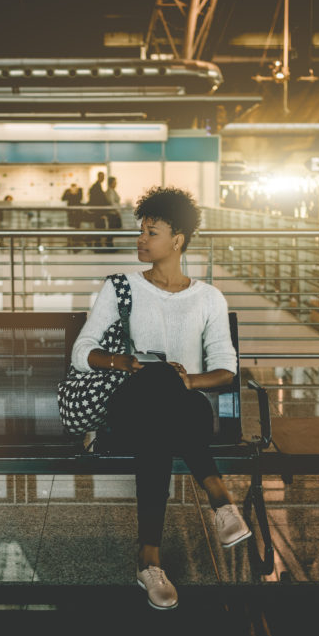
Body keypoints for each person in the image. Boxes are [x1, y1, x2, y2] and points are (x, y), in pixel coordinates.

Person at [70, 186, 251, 610]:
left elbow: (227, 366)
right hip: (127, 409)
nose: (141, 240)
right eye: (141, 231)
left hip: (182, 412)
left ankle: (148, 559)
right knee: (155, 380)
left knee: (167, 391)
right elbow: (82, 353)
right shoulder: (120, 288)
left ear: (178, 240)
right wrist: (122, 362)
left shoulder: (208, 297)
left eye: (151, 232)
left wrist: (188, 382)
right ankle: (221, 500)